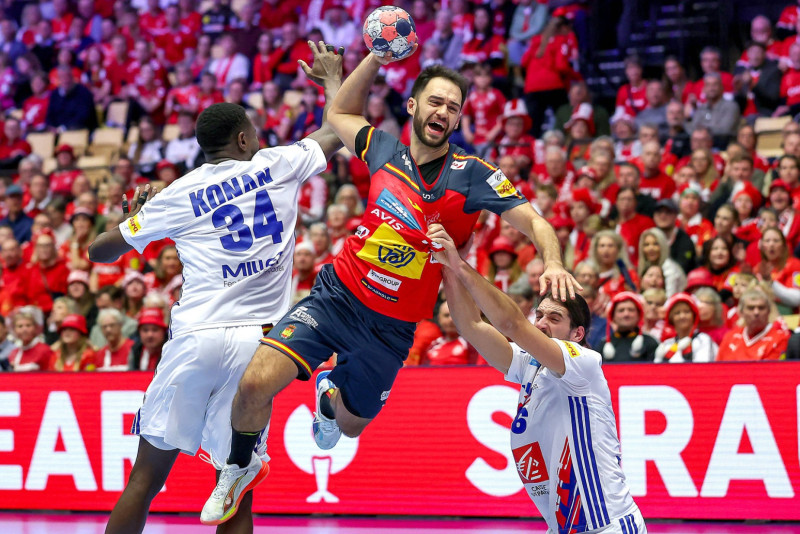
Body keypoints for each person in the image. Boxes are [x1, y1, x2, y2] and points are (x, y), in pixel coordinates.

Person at [202, 44, 580, 526]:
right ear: (414, 105)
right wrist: (374, 59)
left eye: (453, 107)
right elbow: (339, 114)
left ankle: (330, 396)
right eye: (436, 101)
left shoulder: (473, 175)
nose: (443, 112)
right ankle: (237, 469)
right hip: (337, 298)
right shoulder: (383, 150)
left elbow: (536, 222)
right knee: (254, 384)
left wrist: (553, 262)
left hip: (392, 327)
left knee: (350, 427)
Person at [90, 42, 345, 533]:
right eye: (256, 134)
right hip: (256, 346)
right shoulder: (278, 164)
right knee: (235, 488)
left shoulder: (178, 192)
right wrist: (331, 80)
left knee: (145, 479)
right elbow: (337, 129)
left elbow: (99, 252)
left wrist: (136, 217)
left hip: (195, 337)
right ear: (244, 139)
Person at [425, 222, 647, 532]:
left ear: (577, 333)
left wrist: (461, 265)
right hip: (563, 527)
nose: (541, 323)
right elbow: (471, 326)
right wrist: (446, 266)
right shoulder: (530, 364)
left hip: (607, 525)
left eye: (554, 318)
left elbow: (512, 324)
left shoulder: (583, 362)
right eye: (539, 315)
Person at [717, 287, 791, 361]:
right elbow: (718, 365)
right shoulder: (730, 337)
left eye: (761, 308)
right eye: (751, 308)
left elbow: (772, 368)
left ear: (769, 311)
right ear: (741, 312)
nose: (756, 312)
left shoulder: (781, 338)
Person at [654, 293, 718, 363]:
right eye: (677, 313)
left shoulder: (703, 339)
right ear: (671, 318)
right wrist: (658, 360)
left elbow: (702, 367)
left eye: (687, 311)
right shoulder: (667, 344)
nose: (682, 316)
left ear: (694, 315)